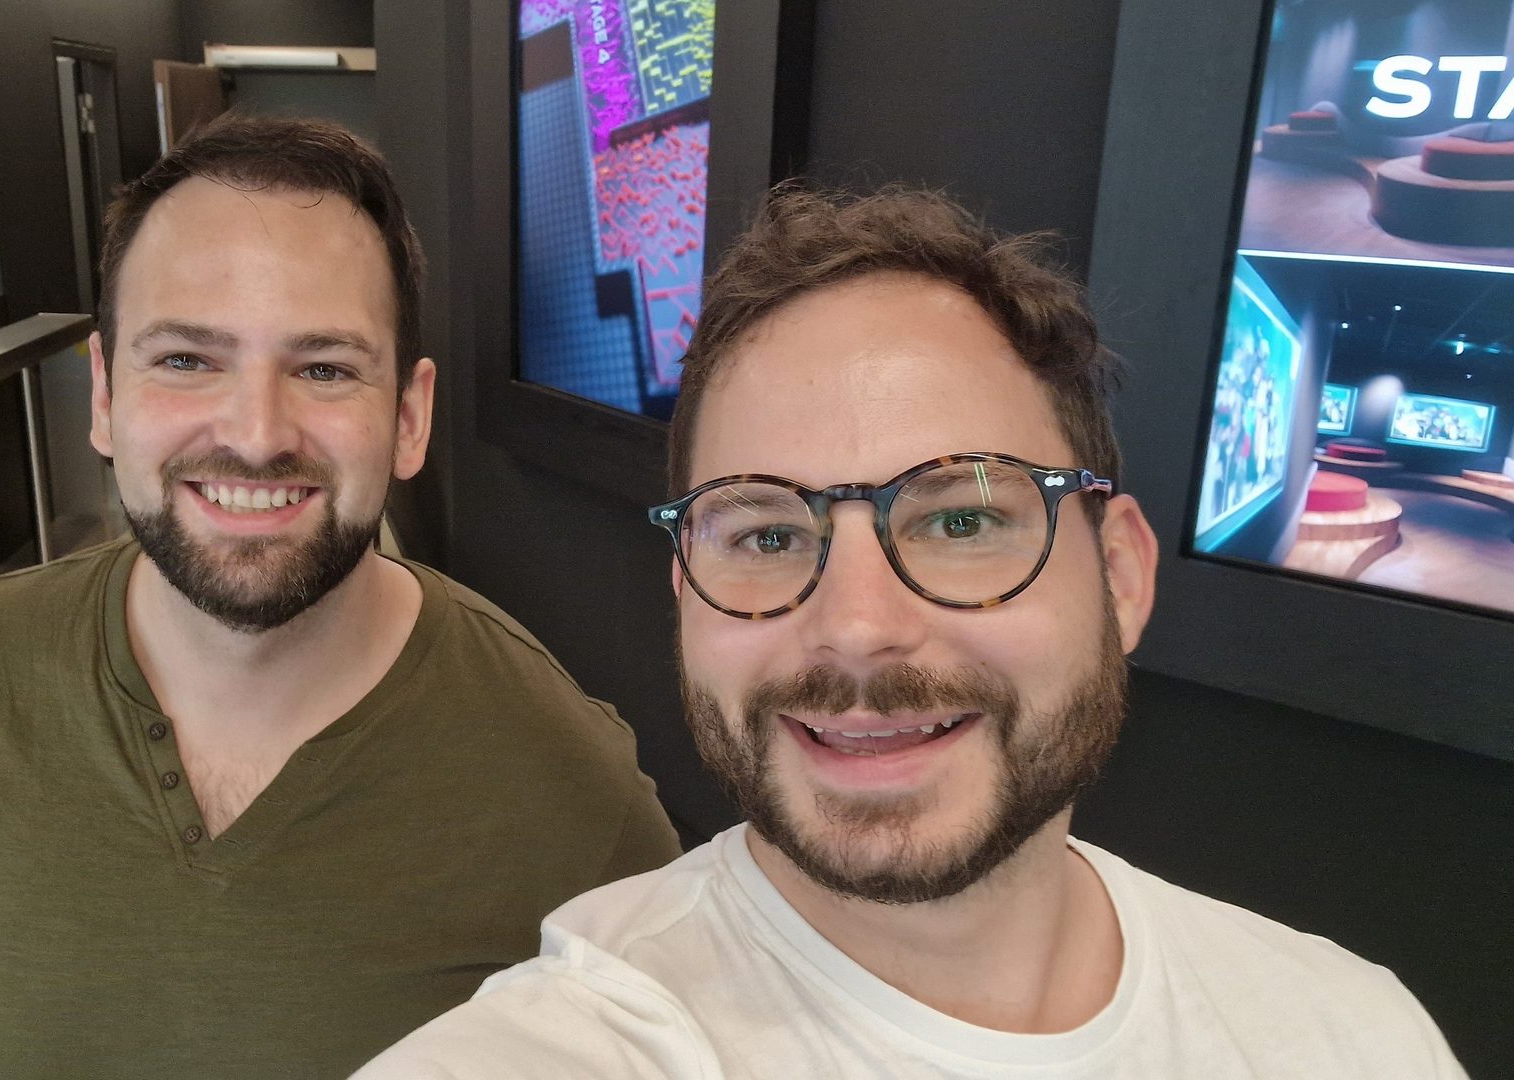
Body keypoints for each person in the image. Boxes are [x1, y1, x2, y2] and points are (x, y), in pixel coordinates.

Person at [356, 186, 1466, 1078]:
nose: (855, 630)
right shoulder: (583, 1041)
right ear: (685, 594)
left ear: (1121, 576)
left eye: (963, 518)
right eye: (767, 535)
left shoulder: (1354, 1034)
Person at [0, 113, 680, 1080]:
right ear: (107, 397)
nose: (254, 434)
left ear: (408, 419)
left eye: (325, 368)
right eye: (188, 360)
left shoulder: (570, 790)